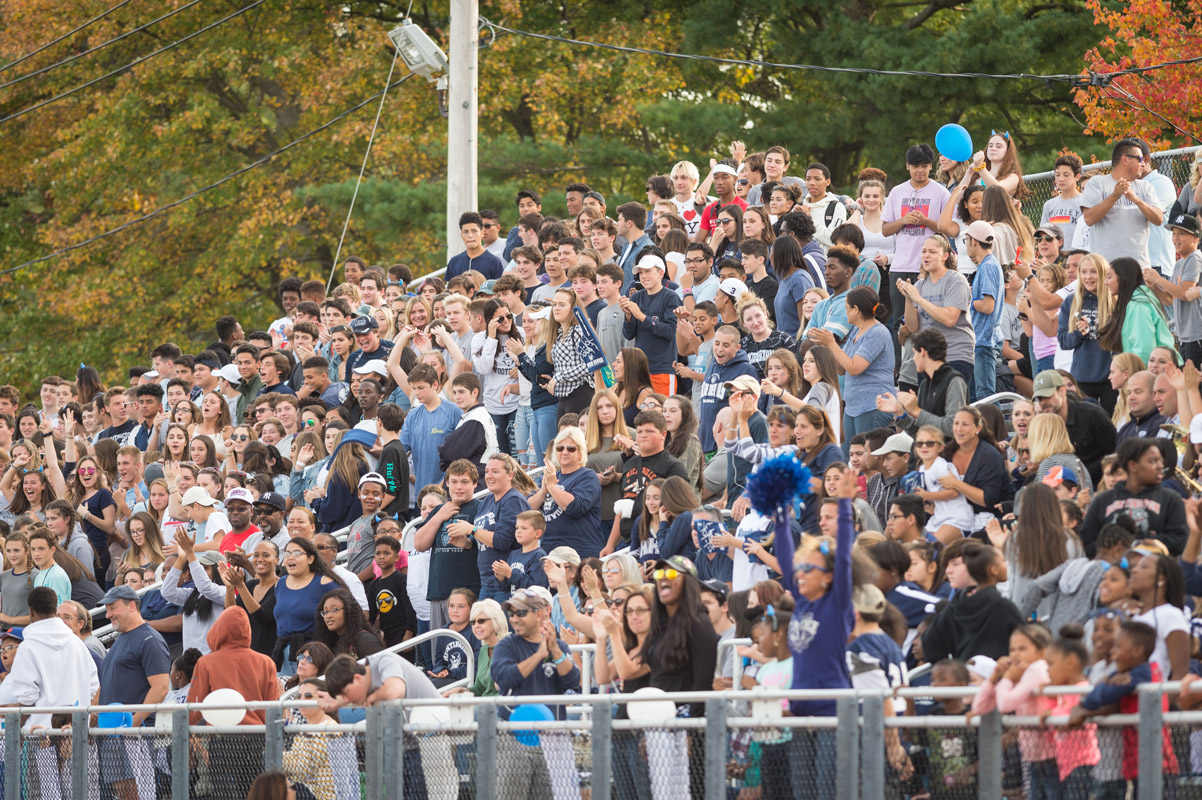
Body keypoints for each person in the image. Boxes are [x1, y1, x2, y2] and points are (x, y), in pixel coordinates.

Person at [96, 584, 172, 800]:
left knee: (135, 793)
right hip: (114, 732)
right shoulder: (122, 639)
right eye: (107, 609)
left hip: (134, 735)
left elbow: (161, 688)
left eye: (112, 608)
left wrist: (133, 723)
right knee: (124, 792)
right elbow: (106, 684)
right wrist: (92, 718)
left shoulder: (149, 639)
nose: (108, 614)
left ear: (131, 606)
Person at [0, 586, 98, 732]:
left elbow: (27, 698)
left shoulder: (28, 647)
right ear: (55, 610)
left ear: (31, 611)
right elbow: (93, 688)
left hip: (40, 736)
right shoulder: (77, 644)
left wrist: (13, 729)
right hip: (75, 735)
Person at [881, 144, 951, 335]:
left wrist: (925, 220)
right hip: (900, 267)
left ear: (930, 166)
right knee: (899, 323)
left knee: (927, 320)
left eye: (924, 165)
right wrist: (903, 221)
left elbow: (947, 229)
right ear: (907, 166)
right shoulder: (896, 192)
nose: (920, 170)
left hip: (929, 267)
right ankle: (899, 365)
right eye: (915, 165)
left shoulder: (941, 193)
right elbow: (885, 229)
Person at [1079, 438, 1187, 557]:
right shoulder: (1102, 500)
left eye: (1161, 461)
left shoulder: (1171, 499)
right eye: (1153, 461)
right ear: (1133, 465)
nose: (1160, 466)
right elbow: (1087, 543)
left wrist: (1138, 542)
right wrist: (1115, 550)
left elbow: (1180, 541)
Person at [816, 287, 895, 445]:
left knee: (868, 459)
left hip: (872, 405)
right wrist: (829, 345)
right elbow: (842, 369)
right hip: (853, 406)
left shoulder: (877, 332)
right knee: (849, 458)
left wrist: (831, 343)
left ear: (856, 310)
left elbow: (855, 368)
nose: (845, 313)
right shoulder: (856, 331)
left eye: (847, 308)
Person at [898, 234, 975, 389]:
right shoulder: (920, 285)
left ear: (945, 256)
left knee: (949, 407)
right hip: (927, 358)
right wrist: (908, 298)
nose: (926, 255)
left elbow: (950, 319)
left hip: (954, 355)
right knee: (929, 408)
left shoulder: (956, 280)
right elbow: (913, 327)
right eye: (924, 251)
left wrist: (918, 299)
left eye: (932, 252)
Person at [1081, 138, 1166, 269]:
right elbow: (1089, 219)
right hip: (1106, 267)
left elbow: (1159, 219)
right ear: (1125, 159)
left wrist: (1136, 200)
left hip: (1139, 267)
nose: (1143, 164)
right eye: (1140, 159)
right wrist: (1114, 196)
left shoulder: (1146, 187)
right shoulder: (1097, 183)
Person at [1031, 369, 1117, 486]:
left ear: (1062, 391)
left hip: (1099, 484)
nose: (1043, 402)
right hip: (1060, 488)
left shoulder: (1091, 414)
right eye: (1039, 398)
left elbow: (1114, 452)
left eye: (1048, 396)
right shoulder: (1044, 423)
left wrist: (1082, 473)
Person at [878, 327, 968, 438]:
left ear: (923, 353)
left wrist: (917, 411)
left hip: (945, 454)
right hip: (927, 452)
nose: (914, 359)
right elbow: (919, 431)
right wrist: (900, 413)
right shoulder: (925, 384)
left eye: (914, 353)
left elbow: (953, 428)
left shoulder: (954, 381)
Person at [1145, 213, 1202, 365]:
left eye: (1181, 233)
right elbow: (1169, 299)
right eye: (1174, 233)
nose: (1175, 238)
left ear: (1196, 238)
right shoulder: (1179, 263)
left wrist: (1158, 279)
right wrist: (1155, 287)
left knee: (1194, 386)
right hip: (1184, 336)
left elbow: (1185, 293)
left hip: (1197, 336)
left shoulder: (1195, 258)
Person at [1097, 257, 1174, 365]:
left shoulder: (1138, 306)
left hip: (1152, 374)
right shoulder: (1135, 302)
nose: (1105, 282)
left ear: (1123, 278)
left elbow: (1144, 350)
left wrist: (1137, 378)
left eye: (1109, 277)